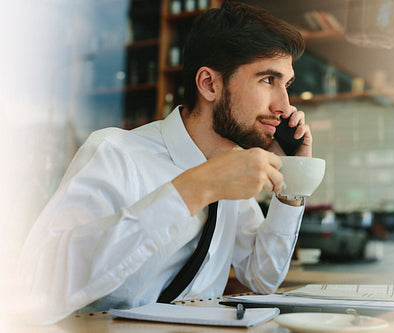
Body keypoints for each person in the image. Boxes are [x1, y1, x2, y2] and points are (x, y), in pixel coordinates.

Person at [17, 1, 310, 324]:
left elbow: (262, 276)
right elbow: (33, 287)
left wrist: (292, 182)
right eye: (268, 80)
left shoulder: (235, 168)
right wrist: (193, 189)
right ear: (210, 84)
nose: (285, 105)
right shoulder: (115, 153)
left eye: (287, 84)